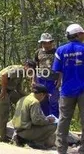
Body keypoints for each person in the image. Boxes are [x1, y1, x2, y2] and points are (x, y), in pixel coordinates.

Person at [52, 23, 84, 154]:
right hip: (83, 90)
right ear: (77, 34)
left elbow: (57, 71)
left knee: (64, 120)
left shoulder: (60, 50)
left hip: (66, 91)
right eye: (82, 33)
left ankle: (61, 149)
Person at [0, 60, 36, 142]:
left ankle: (20, 125)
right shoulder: (18, 70)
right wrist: (3, 91)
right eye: (30, 69)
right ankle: (1, 137)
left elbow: (19, 89)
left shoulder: (22, 74)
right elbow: (4, 76)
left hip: (8, 90)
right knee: (3, 111)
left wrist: (29, 96)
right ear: (26, 66)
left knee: (21, 100)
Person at [11, 84, 57, 149]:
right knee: (53, 126)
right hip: (25, 132)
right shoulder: (35, 102)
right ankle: (34, 142)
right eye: (45, 96)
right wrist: (48, 120)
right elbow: (36, 121)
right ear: (41, 94)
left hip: (17, 129)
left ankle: (21, 138)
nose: (44, 98)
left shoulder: (23, 98)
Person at [33, 32, 60, 118]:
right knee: (41, 100)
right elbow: (35, 67)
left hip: (53, 80)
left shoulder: (57, 52)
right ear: (41, 43)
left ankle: (55, 122)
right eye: (45, 43)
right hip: (41, 79)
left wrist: (59, 79)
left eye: (49, 42)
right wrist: (33, 80)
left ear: (51, 42)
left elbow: (61, 67)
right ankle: (45, 120)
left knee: (53, 101)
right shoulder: (38, 52)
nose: (47, 45)